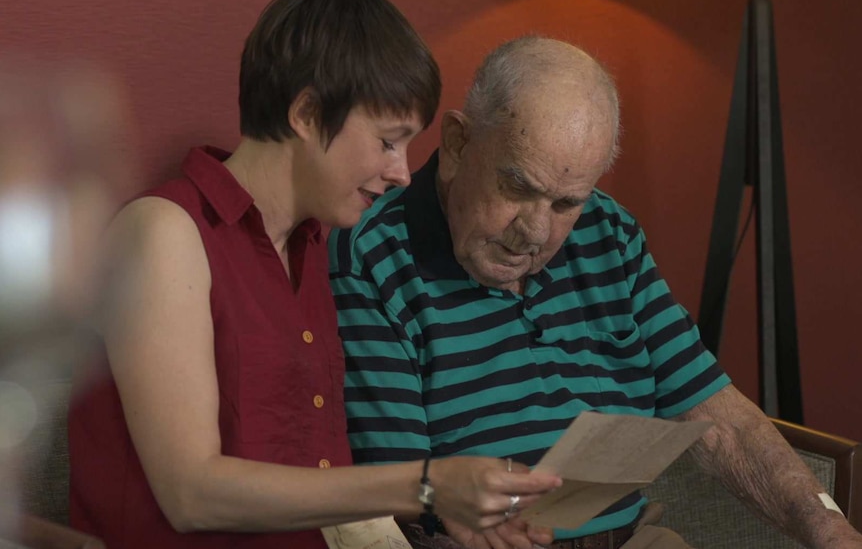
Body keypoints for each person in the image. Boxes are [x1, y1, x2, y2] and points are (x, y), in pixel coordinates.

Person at [67, 0, 563, 549]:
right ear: (306, 113)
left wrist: (446, 512)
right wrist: (427, 486)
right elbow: (190, 493)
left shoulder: (312, 253)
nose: (402, 172)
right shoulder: (162, 231)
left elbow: (318, 492)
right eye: (387, 141)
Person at [328, 36, 862, 549]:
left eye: (566, 203)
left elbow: (721, 422)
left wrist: (831, 533)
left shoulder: (609, 232)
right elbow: (397, 492)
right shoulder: (373, 256)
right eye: (518, 187)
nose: (535, 232)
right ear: (457, 144)